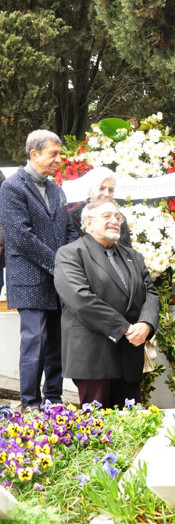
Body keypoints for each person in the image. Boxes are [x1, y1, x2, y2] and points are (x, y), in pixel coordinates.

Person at [54, 199, 158, 408]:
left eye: (118, 217)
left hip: (130, 356)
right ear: (89, 223)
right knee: (97, 425)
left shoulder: (133, 256)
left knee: (132, 423)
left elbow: (151, 293)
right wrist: (125, 329)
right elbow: (81, 300)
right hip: (94, 357)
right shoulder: (70, 253)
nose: (115, 221)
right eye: (107, 216)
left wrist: (146, 324)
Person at [0, 130, 78, 410]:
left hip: (58, 280)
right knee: (34, 341)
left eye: (59, 154)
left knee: (56, 343)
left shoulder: (56, 189)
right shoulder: (12, 187)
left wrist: (69, 263)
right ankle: (30, 403)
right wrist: (59, 264)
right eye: (53, 154)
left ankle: (53, 400)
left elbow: (69, 230)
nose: (59, 159)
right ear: (34, 154)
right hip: (29, 279)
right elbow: (20, 237)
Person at [69, 167, 132, 247]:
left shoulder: (118, 217)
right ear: (91, 189)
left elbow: (126, 249)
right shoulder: (75, 216)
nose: (106, 194)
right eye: (101, 188)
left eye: (111, 190)